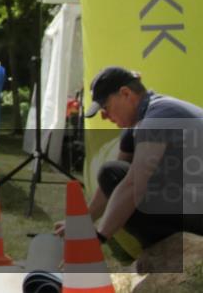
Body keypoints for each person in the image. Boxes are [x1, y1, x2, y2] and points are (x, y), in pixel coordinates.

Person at [54, 67, 203, 248]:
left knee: (118, 178)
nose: (104, 116)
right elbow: (115, 181)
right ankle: (162, 253)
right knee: (113, 175)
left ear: (126, 94)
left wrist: (98, 238)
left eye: (106, 107)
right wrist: (81, 222)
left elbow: (132, 184)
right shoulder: (139, 123)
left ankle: (170, 252)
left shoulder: (159, 115)